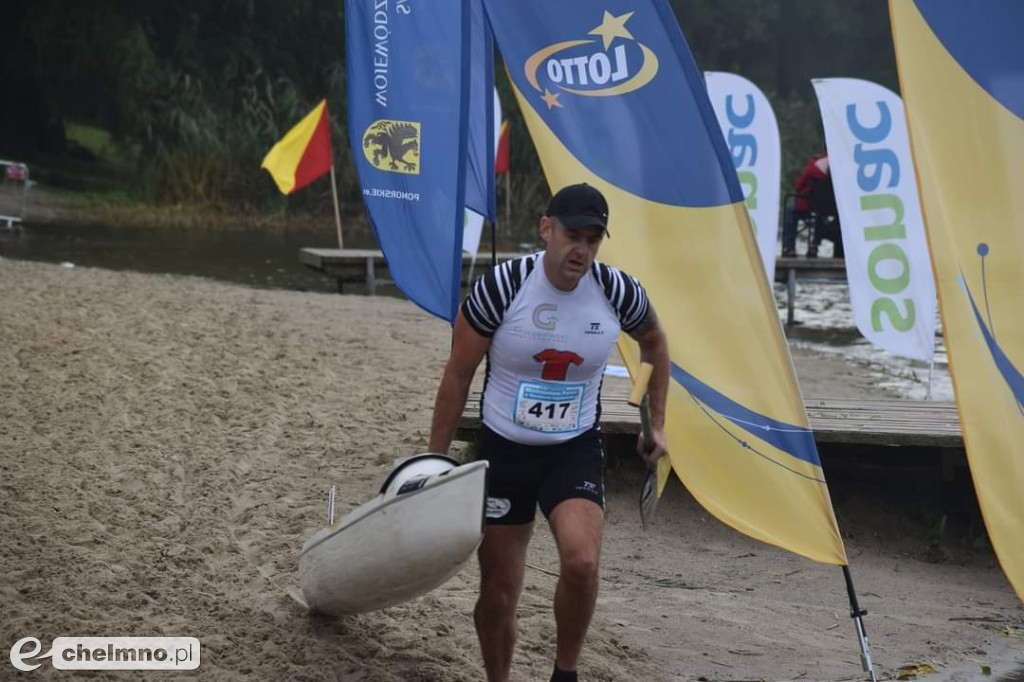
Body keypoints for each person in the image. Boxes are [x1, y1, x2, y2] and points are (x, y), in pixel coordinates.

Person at [428, 183, 670, 682]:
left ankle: (566, 673)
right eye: (571, 235)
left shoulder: (617, 290)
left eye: (593, 238)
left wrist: (657, 423)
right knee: (497, 592)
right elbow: (457, 374)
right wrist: (432, 461)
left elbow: (655, 342)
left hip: (574, 448)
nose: (580, 250)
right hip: (503, 450)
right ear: (546, 229)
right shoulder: (503, 285)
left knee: (581, 563)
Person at [782, 153, 843, 258]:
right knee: (820, 213)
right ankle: (814, 245)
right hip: (834, 209)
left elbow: (798, 185)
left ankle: (789, 248)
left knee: (790, 208)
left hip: (809, 206)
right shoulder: (842, 166)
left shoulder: (815, 165)